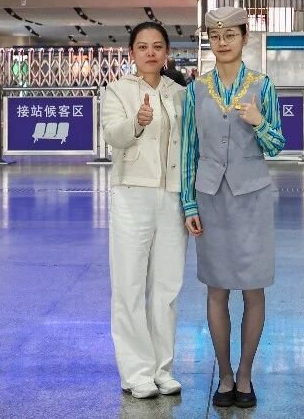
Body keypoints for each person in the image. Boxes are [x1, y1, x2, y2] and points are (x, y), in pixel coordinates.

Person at [181, 6, 285, 410]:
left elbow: (276, 146)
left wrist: (259, 122)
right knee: (217, 288)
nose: (222, 42)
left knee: (253, 289)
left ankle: (245, 374)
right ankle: (224, 375)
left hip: (252, 198)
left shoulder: (263, 85)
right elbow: (189, 149)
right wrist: (188, 202)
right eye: (215, 36)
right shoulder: (196, 89)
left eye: (230, 35)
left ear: (245, 37)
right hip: (210, 198)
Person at [100, 22, 187, 400]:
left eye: (157, 46)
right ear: (131, 53)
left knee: (167, 286)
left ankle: (162, 369)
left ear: (167, 52)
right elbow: (111, 135)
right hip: (132, 194)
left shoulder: (180, 93)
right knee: (130, 285)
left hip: (172, 196)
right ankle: (136, 372)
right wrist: (136, 123)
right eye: (142, 47)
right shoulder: (117, 90)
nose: (150, 53)